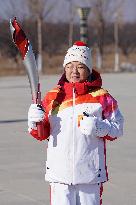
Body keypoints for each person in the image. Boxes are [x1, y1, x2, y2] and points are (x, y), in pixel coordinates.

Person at [28, 41, 124, 205]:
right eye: (70, 65)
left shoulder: (102, 97)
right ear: (64, 68)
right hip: (59, 175)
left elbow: (118, 128)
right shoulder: (53, 96)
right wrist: (33, 121)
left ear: (88, 69)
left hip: (89, 175)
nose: (74, 71)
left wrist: (98, 127)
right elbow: (41, 134)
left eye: (80, 66)